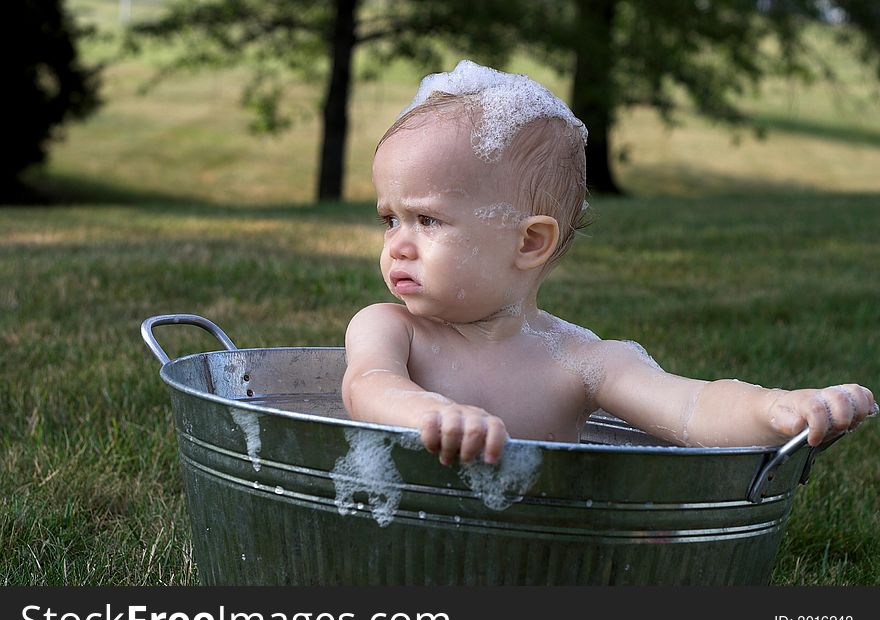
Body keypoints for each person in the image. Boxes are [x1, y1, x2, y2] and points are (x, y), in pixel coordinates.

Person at [342, 60, 876, 466]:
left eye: (428, 222)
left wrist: (777, 411)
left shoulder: (580, 361)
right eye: (390, 219)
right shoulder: (391, 327)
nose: (398, 245)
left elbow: (691, 409)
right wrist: (428, 414)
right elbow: (367, 386)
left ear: (529, 244)